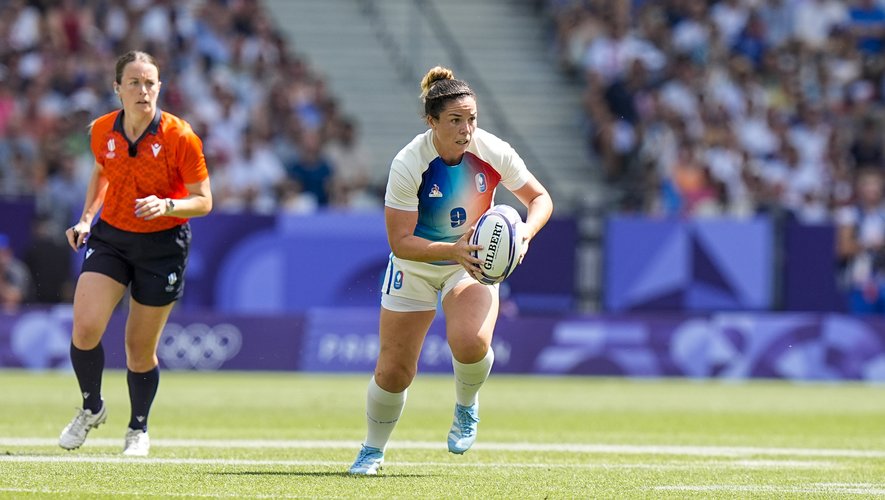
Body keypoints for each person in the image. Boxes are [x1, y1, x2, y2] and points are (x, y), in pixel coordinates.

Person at [348, 66, 553, 475]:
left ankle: (466, 404)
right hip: (417, 264)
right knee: (394, 371)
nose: (466, 129)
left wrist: (525, 234)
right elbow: (400, 242)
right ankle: (372, 450)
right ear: (432, 121)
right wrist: (452, 250)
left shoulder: (493, 151)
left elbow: (540, 199)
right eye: (456, 120)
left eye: (471, 118)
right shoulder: (409, 163)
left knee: (471, 342)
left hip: (470, 263)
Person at [58, 50, 212, 456]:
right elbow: (102, 171)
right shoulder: (101, 130)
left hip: (163, 246)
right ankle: (91, 407)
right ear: (117, 88)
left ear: (159, 88)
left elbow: (204, 200)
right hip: (112, 237)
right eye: (134, 83)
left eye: (150, 83)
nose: (143, 90)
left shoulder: (180, 136)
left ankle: (138, 428)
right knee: (85, 328)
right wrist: (87, 219)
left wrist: (168, 204)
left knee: (139, 351)